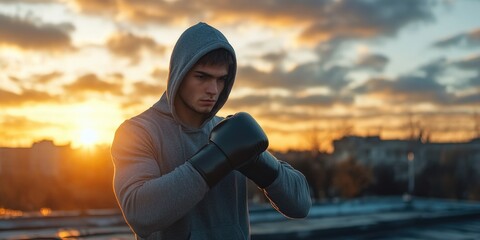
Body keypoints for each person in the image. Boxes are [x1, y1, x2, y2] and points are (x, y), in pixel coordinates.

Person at [111, 22, 311, 240]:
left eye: (221, 79)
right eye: (202, 77)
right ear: (180, 74)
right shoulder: (138, 132)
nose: (213, 90)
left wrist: (264, 167)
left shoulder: (229, 131)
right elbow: (140, 214)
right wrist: (215, 158)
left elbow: (300, 206)